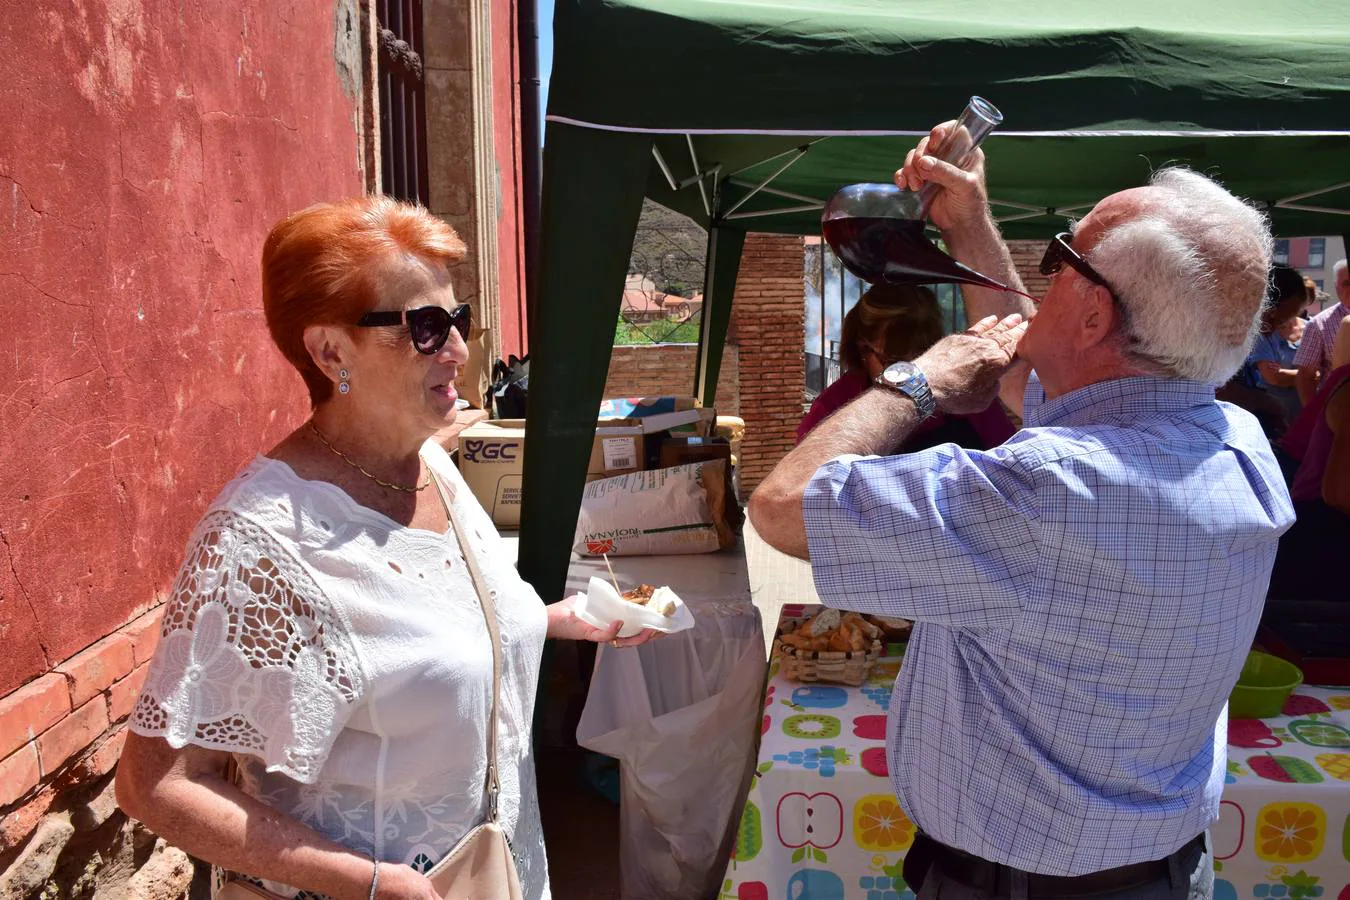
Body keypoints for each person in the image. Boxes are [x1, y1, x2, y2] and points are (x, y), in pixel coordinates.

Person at [750, 120, 1293, 899]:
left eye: (1059, 256)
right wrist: (969, 223)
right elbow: (1047, 396)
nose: (1041, 279)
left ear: (1097, 315)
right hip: (1162, 872)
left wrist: (917, 383)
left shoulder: (1045, 492)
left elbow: (781, 506)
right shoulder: (1232, 438)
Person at [115, 197, 656, 900]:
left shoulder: (431, 467)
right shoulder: (263, 541)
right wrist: (367, 881)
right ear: (331, 350)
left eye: (457, 320)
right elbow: (155, 784)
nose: (460, 350)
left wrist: (555, 619)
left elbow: (424, 639)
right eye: (425, 328)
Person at [798, 282, 1015, 451]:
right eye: (894, 362)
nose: (912, 375)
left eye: (922, 358)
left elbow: (1007, 461)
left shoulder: (968, 395)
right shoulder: (832, 409)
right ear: (862, 347)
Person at [1232, 265, 1307, 427]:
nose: (1270, 330)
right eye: (1274, 319)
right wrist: (1264, 401)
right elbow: (1218, 391)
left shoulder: (1248, 337)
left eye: (1281, 324)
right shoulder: (1223, 338)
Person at [1293, 258, 1349, 405]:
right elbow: (1305, 376)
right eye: (1346, 283)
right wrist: (1314, 417)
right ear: (1336, 288)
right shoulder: (1318, 325)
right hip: (1339, 412)